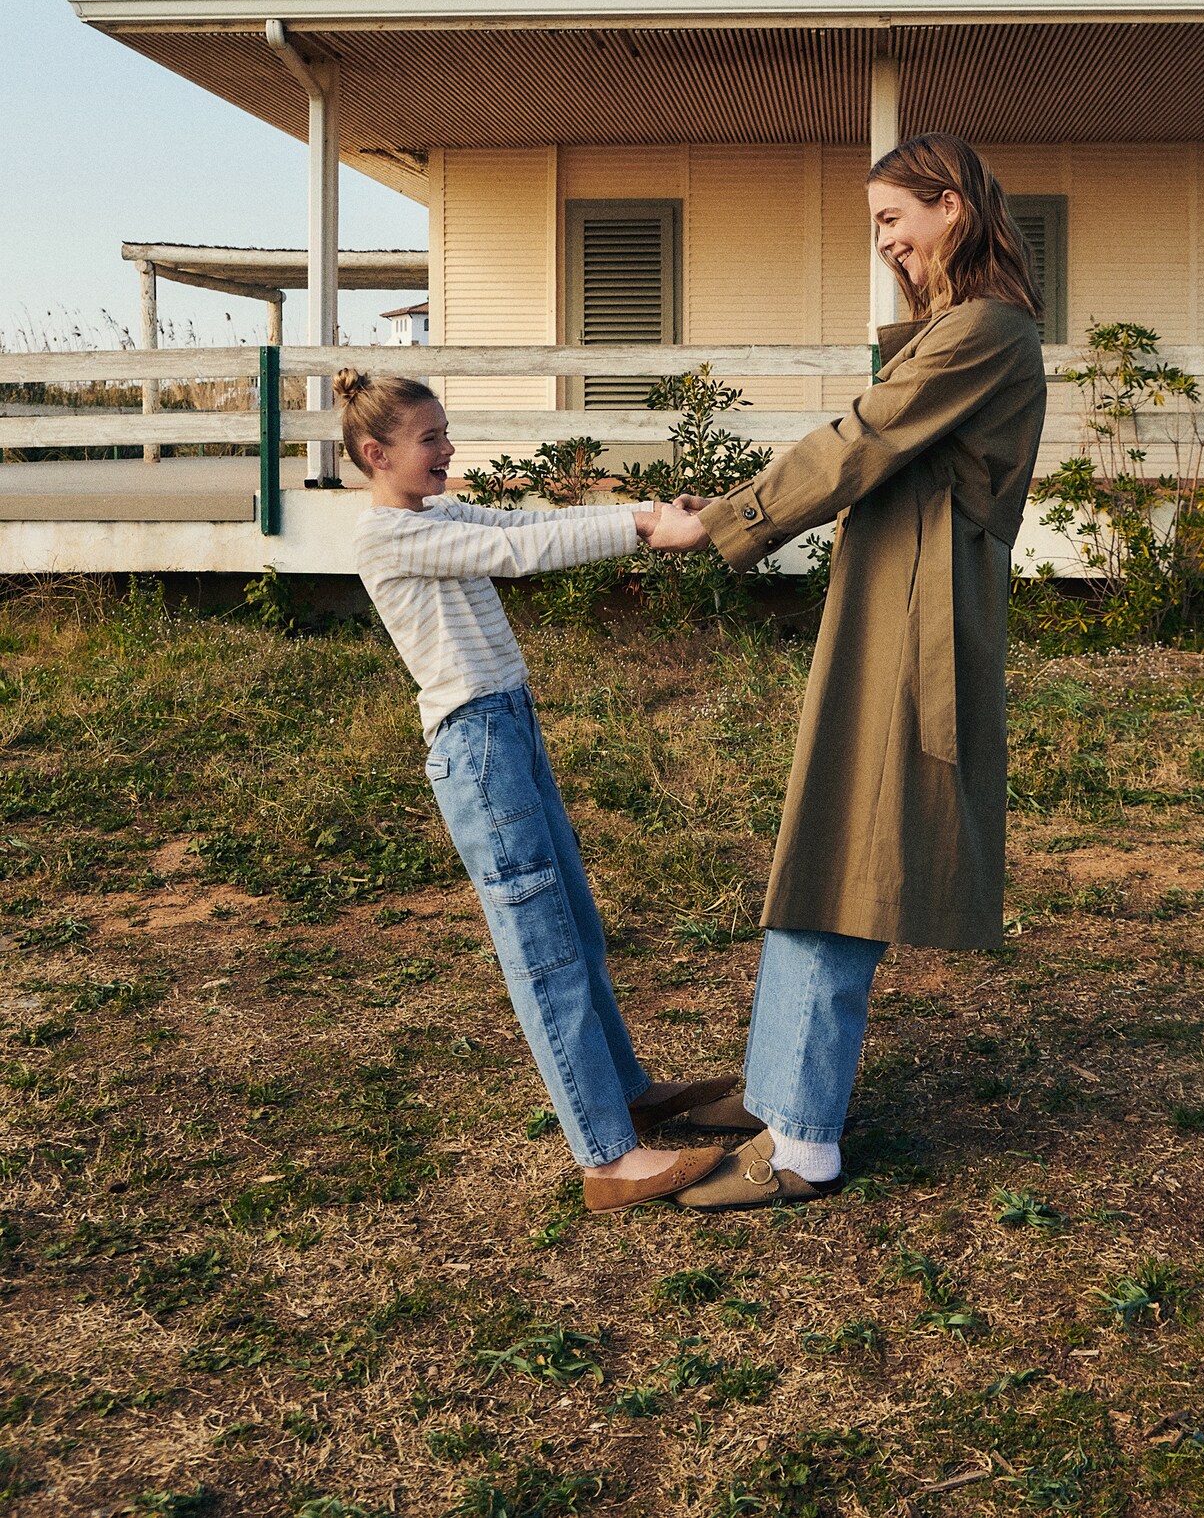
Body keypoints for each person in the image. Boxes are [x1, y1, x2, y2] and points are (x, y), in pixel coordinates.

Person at [660, 134, 1050, 1209]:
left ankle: (804, 1143)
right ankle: (781, 1088)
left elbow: (863, 439)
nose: (882, 240)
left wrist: (725, 521)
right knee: (827, 836)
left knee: (856, 853)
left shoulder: (986, 331)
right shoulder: (955, 327)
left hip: (919, 618)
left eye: (894, 219)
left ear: (952, 208)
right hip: (888, 598)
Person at [335, 366, 729, 1213]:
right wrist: (641, 525)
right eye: (430, 438)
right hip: (475, 744)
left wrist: (654, 512)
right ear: (376, 452)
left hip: (508, 725)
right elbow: (514, 554)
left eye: (445, 433)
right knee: (541, 946)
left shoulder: (435, 512)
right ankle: (606, 1158)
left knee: (574, 922)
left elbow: (525, 523)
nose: (447, 450)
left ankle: (627, 1091)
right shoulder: (383, 537)